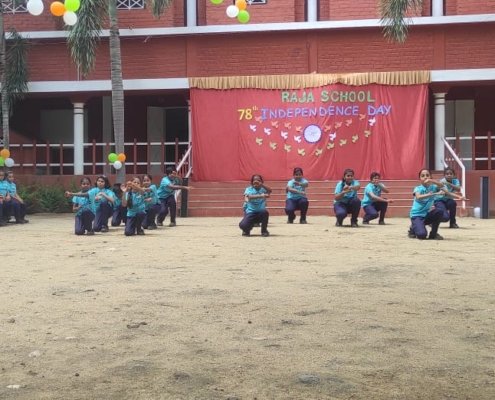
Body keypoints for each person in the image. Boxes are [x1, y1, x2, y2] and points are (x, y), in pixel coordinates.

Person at [408, 168, 446, 240]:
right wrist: (430, 194)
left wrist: (432, 181)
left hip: (426, 215)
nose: (425, 177)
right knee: (422, 235)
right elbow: (418, 197)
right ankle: (413, 228)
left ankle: (433, 234)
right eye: (423, 176)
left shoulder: (433, 187)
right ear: (420, 178)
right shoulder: (418, 188)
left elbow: (442, 185)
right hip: (416, 216)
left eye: (427, 175)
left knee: (439, 211)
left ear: (430, 177)